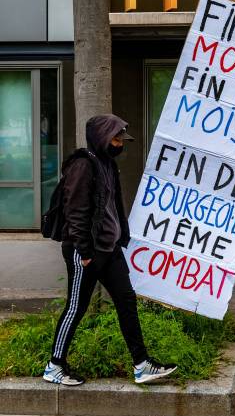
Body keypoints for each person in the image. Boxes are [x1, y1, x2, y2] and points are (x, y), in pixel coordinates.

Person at [43, 114, 177, 386]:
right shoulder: (83, 165)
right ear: (102, 137)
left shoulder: (106, 164)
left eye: (121, 139)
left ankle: (142, 364)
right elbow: (76, 211)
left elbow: (112, 207)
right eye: (116, 138)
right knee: (76, 307)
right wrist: (85, 251)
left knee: (126, 300)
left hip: (109, 249)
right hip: (87, 252)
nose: (120, 144)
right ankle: (54, 366)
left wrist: (118, 239)